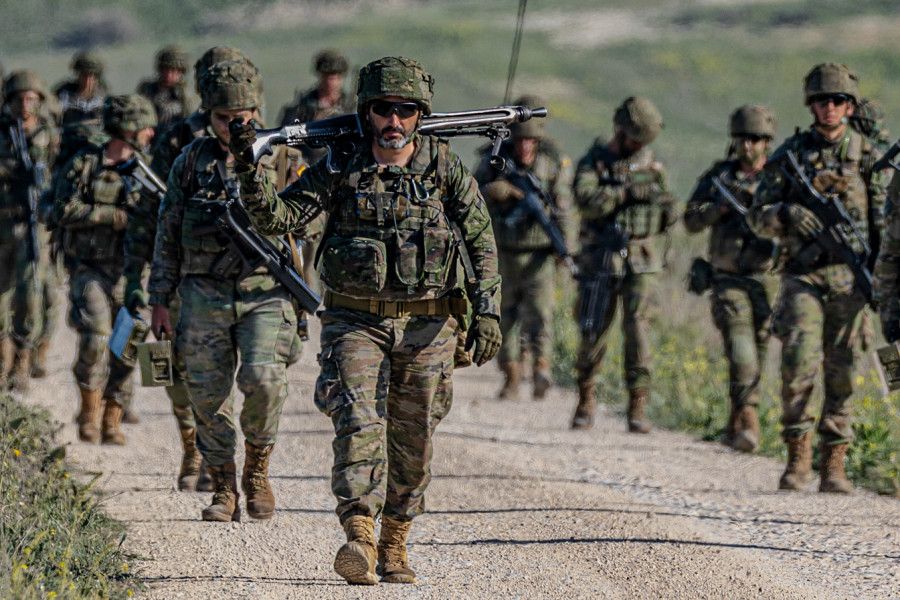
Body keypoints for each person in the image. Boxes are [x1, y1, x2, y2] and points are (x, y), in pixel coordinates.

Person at [230, 56, 502, 585]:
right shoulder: (339, 166)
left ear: (420, 114)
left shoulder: (444, 169)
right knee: (357, 422)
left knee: (415, 435)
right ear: (366, 112)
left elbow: (481, 241)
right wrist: (248, 167)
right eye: (383, 109)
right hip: (356, 321)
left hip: (429, 326)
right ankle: (359, 532)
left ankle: (396, 540)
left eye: (405, 110)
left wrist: (487, 311)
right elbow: (277, 219)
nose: (393, 121)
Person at [148, 57, 303, 522]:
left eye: (243, 118)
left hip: (265, 292)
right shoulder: (190, 162)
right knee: (207, 393)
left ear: (258, 110)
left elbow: (309, 225)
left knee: (263, 379)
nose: (234, 126)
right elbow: (168, 231)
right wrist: (159, 299)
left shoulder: (284, 159)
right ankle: (222, 485)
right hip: (203, 292)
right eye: (222, 118)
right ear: (207, 115)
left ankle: (257, 472)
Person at [749, 63, 889, 493]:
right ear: (810, 105)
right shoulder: (790, 154)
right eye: (822, 101)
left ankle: (835, 464)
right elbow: (756, 216)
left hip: (851, 278)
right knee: (797, 367)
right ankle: (797, 458)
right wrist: (786, 213)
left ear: (849, 106)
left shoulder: (868, 154)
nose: (830, 108)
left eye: (839, 101)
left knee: (844, 371)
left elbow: (886, 220)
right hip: (803, 277)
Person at [51, 94, 156, 446]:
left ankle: (114, 413)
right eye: (144, 127)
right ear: (126, 129)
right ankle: (89, 411)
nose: (150, 133)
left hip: (130, 271)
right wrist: (112, 217)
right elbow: (63, 209)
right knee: (96, 337)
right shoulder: (85, 164)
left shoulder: (146, 170)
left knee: (128, 343)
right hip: (89, 267)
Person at [569, 96, 676, 432]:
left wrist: (664, 207)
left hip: (641, 263)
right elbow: (585, 200)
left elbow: (668, 209)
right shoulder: (595, 162)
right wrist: (624, 194)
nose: (638, 146)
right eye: (633, 140)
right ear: (620, 131)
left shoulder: (653, 166)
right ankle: (586, 398)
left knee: (639, 333)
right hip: (600, 259)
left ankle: (637, 405)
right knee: (592, 329)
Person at [684, 105, 778, 452]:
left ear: (767, 142)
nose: (748, 146)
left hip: (768, 280)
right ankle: (750, 419)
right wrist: (719, 209)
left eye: (755, 139)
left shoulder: (779, 178)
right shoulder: (718, 177)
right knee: (741, 349)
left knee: (760, 354)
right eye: (742, 139)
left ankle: (735, 420)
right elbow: (690, 220)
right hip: (727, 279)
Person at [474, 94, 573, 400]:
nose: (524, 147)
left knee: (541, 313)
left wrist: (564, 247)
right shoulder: (494, 160)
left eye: (531, 141)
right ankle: (512, 374)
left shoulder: (552, 164)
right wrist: (494, 190)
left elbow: (564, 208)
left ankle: (542, 367)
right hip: (503, 251)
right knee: (505, 317)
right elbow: (469, 194)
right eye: (520, 140)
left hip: (539, 253)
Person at [276, 48, 356, 289]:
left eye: (335, 75)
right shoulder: (301, 110)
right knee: (310, 250)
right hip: (312, 185)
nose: (330, 80)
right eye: (326, 75)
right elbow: (284, 148)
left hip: (345, 187)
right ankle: (310, 301)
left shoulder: (352, 109)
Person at [0, 70, 59, 391]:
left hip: (34, 226)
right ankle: (2, 362)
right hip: (2, 224)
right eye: (20, 99)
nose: (25, 105)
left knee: (31, 294)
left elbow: (60, 176)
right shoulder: (2, 133)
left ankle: (23, 360)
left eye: (32, 99)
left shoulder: (48, 135)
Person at [53, 51, 109, 175]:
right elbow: (52, 121)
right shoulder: (63, 95)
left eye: (92, 76)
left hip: (95, 147)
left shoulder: (104, 97)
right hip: (68, 146)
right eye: (84, 75)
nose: (88, 81)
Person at [137, 45, 194, 137]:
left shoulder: (186, 93)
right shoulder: (148, 90)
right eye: (165, 69)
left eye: (174, 70)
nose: (169, 74)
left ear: (181, 72)